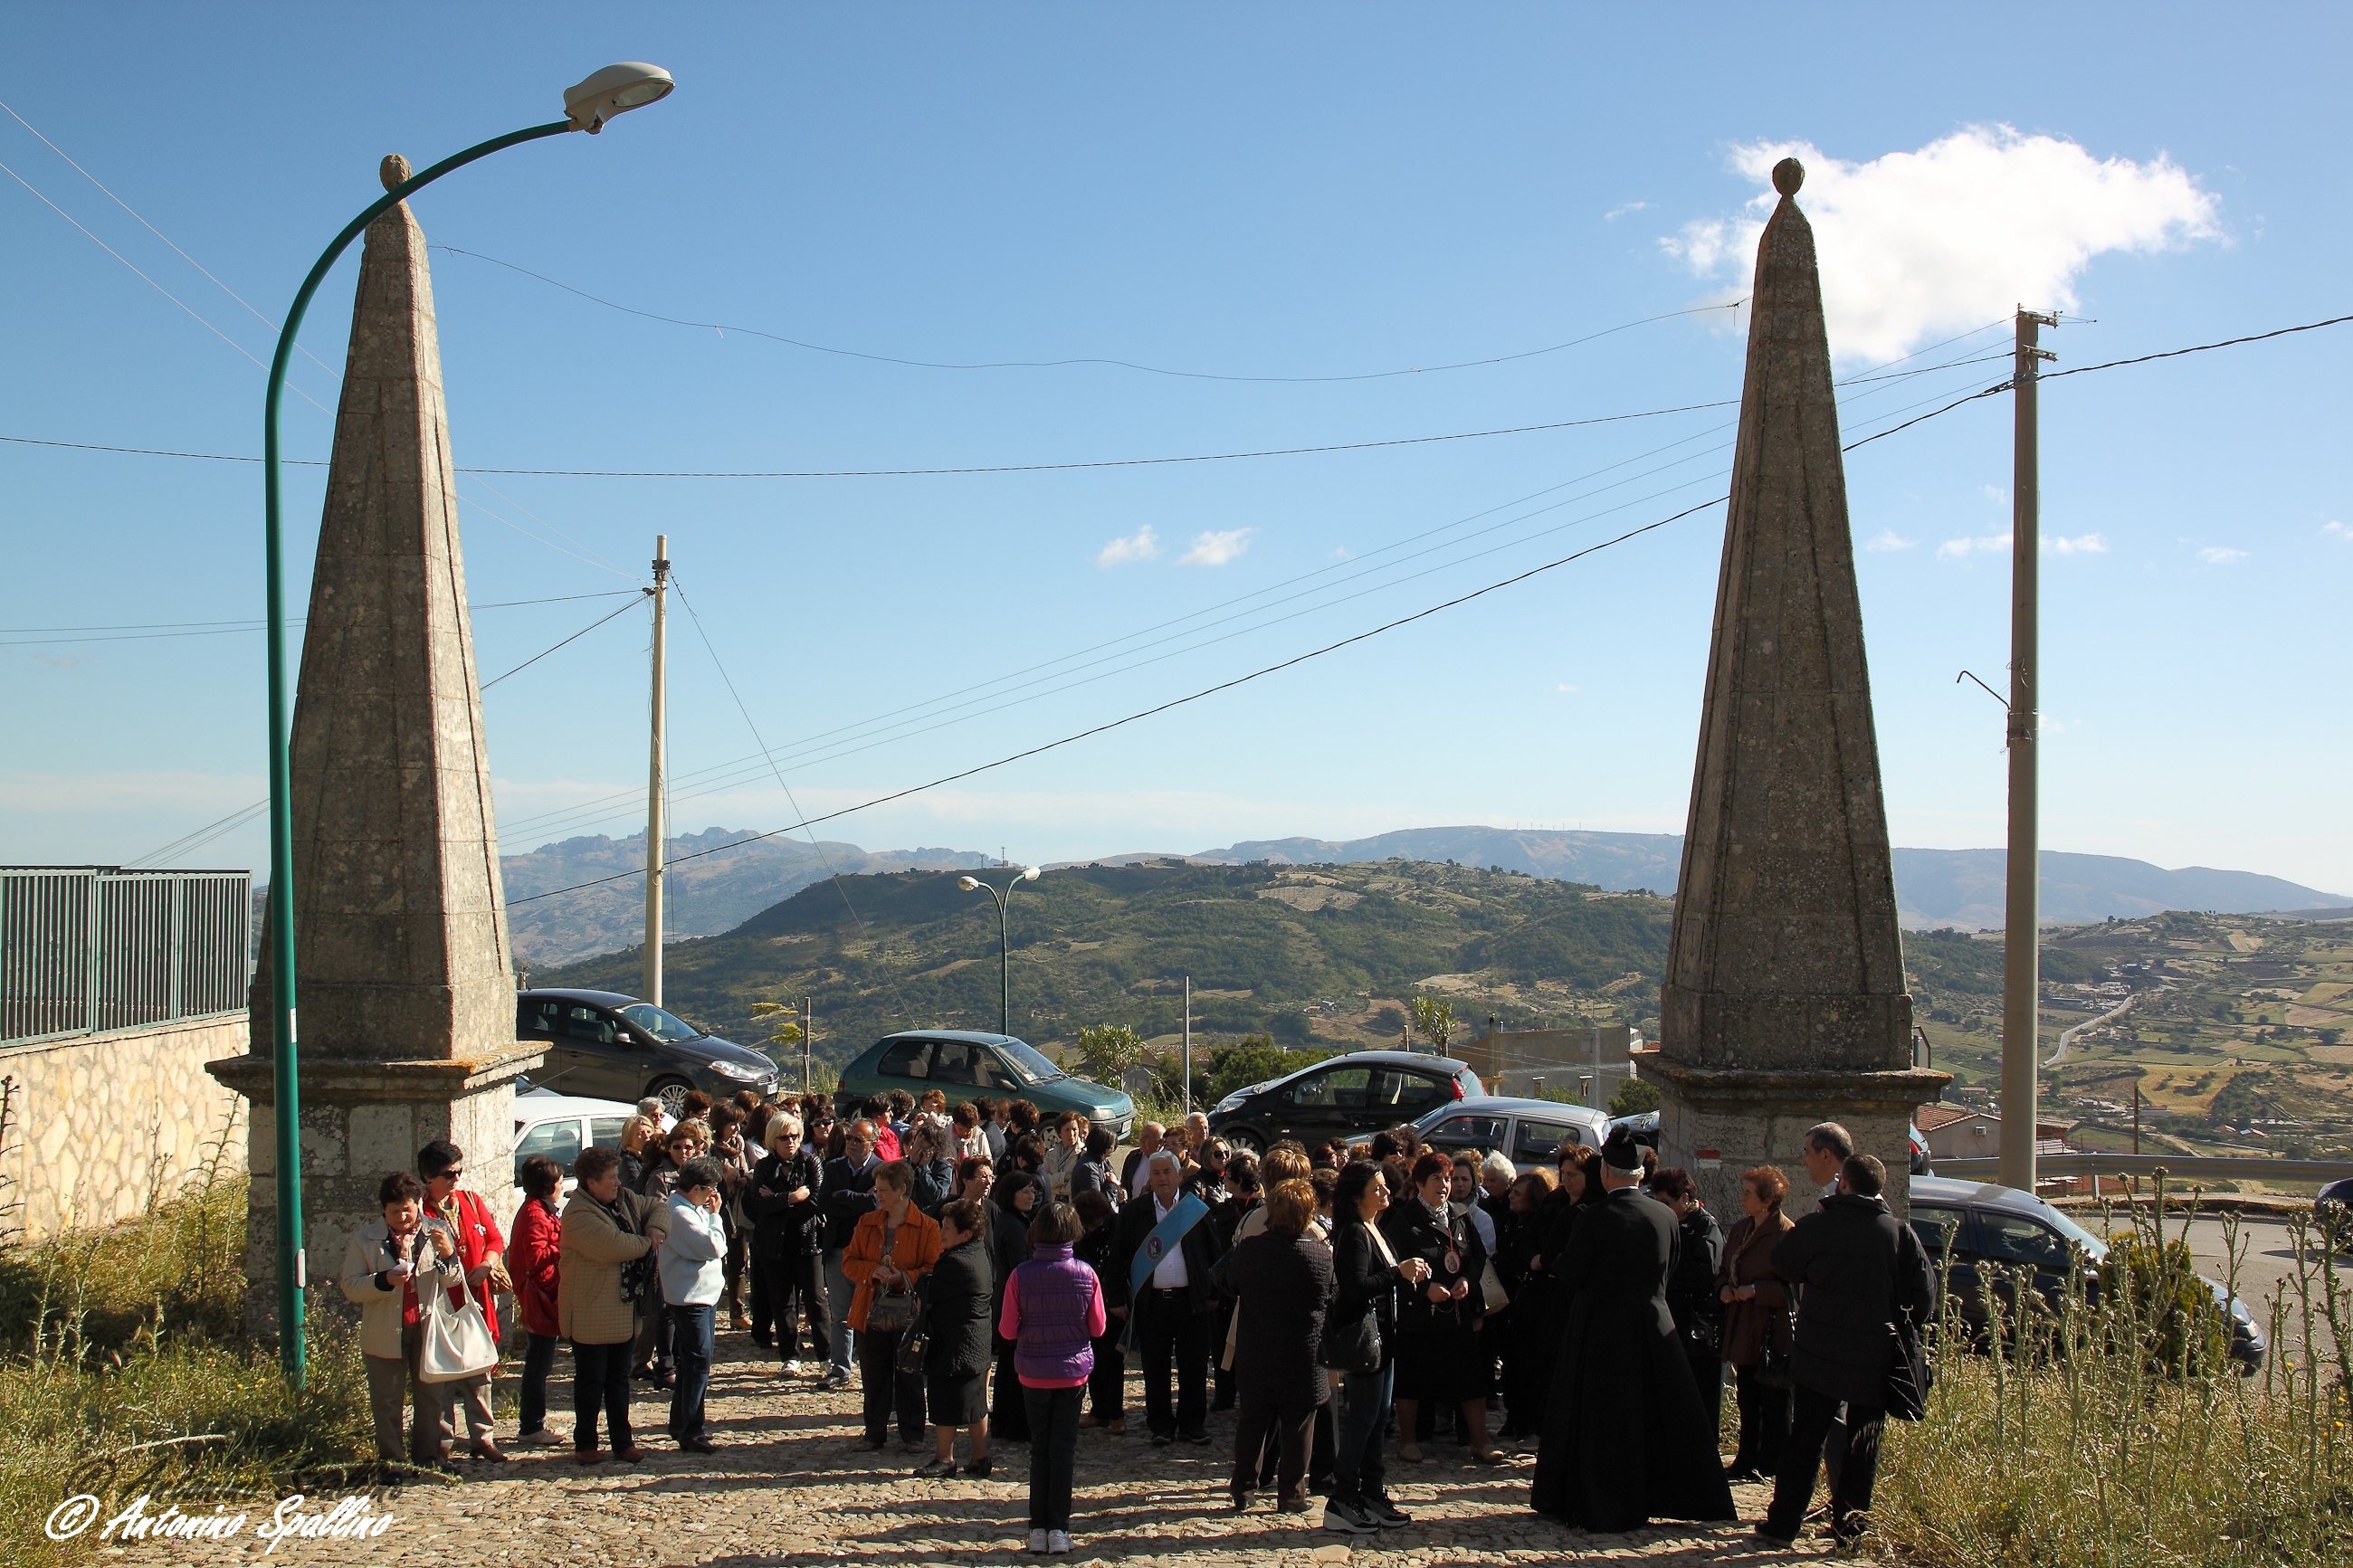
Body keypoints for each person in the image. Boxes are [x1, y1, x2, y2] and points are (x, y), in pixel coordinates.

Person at [1528, 1129, 1736, 1531]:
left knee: (1602, 1419)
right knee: (1658, 1413)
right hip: (1655, 1325)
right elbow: (1671, 1267)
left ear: (1605, 1172)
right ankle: (1664, 1494)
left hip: (1600, 1328)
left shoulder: (1594, 1218)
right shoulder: (1666, 1215)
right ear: (1640, 1174)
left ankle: (1600, 1500)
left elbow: (1569, 1272)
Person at [1757, 1154, 1935, 1548]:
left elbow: (1783, 1263)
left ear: (1845, 1183)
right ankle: (1850, 1530)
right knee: (1864, 1445)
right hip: (1876, 1357)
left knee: (1805, 1440)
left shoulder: (1818, 1225)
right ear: (1879, 1190)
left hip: (1818, 1353)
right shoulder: (1899, 1233)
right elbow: (1924, 1299)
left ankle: (1784, 1524)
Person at [1322, 1160, 1428, 1534]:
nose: (1386, 1193)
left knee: (1379, 1419)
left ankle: (1371, 1492)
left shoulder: (1373, 1227)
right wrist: (1398, 1273)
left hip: (1385, 1338)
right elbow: (1356, 1288)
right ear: (1356, 1198)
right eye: (1377, 1189)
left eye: (1385, 1186)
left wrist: (1404, 1273)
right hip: (1366, 1341)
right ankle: (1342, 1498)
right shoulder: (1353, 1232)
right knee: (1364, 1420)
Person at [340, 1171, 469, 1475]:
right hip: (385, 1330)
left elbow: (454, 1280)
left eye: (407, 1209)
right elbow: (350, 1286)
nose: (402, 1216)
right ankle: (392, 1463)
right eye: (395, 1211)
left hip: (426, 1327)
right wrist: (383, 1280)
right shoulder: (366, 1239)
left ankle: (429, 1459)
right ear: (384, 1211)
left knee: (431, 1398)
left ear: (419, 1206)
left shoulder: (437, 1230)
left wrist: (447, 1253)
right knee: (387, 1401)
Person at [1380, 1150, 1500, 1464]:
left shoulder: (1462, 1216)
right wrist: (1422, 1290)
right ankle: (1408, 1442)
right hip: (1418, 1319)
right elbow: (1390, 1268)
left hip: (1457, 1315)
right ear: (1419, 1184)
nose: (1444, 1185)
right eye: (1437, 1179)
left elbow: (1477, 1256)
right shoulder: (1404, 1220)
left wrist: (1467, 1281)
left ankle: (1479, 1441)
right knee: (1412, 1383)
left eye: (1447, 1179)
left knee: (1470, 1381)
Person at [1221, 1178, 1333, 1514]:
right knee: (1298, 1428)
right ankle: (1292, 1495)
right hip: (1302, 1355)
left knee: (1252, 1422)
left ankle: (1243, 1490)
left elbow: (1231, 1284)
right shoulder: (1320, 1257)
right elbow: (1333, 1297)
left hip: (1258, 1350)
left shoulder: (1251, 1250)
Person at [1003, 1201, 1106, 1556]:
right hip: (1073, 1373)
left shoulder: (1020, 1275)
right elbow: (1099, 1326)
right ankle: (1059, 1528)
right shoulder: (1086, 1273)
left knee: (1040, 1449)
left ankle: (1037, 1528)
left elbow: (1006, 1329)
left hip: (1033, 1371)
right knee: (1063, 1450)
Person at [1114, 1149, 1225, 1446]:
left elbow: (1215, 1256)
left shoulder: (1196, 1211)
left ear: (1179, 1175)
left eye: (1167, 1172)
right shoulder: (1134, 1213)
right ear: (1149, 1178)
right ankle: (1160, 1425)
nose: (1162, 1178)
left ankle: (1192, 1425)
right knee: (1155, 1366)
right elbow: (1117, 1259)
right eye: (1156, 1173)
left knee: (1194, 1365)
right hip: (1153, 1303)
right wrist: (1116, 1299)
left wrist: (1213, 1294)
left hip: (1191, 1302)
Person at [558, 1146, 655, 1466]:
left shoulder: (623, 1201)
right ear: (591, 1183)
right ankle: (585, 1442)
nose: (618, 1183)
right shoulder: (578, 1215)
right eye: (611, 1178)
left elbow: (655, 1206)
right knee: (590, 1381)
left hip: (623, 1312)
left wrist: (655, 1228)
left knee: (618, 1381)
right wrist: (648, 1243)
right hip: (590, 1313)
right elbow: (614, 1247)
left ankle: (622, 1442)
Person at [414, 1139, 504, 1461]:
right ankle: (443, 1440)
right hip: (440, 1300)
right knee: (443, 1371)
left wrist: (486, 1264)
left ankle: (483, 1437)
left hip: (474, 1298)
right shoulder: (420, 1212)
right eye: (448, 1174)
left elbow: (494, 1239)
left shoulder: (470, 1201)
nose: (455, 1179)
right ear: (428, 1176)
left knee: (479, 1370)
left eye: (459, 1172)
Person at [844, 1159, 941, 1449]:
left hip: (908, 1313)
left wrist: (904, 1277)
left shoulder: (926, 1226)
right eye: (877, 1189)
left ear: (901, 1190)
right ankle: (874, 1432)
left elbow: (933, 1268)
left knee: (909, 1374)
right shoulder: (867, 1222)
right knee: (874, 1376)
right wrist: (872, 1271)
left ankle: (913, 1435)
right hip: (870, 1309)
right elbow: (849, 1261)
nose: (878, 1195)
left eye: (883, 1190)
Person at [1717, 1164, 1796, 1483]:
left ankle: (1772, 1463)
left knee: (1775, 1401)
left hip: (1770, 1330)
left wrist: (1756, 1291)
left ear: (1767, 1201)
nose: (1742, 1198)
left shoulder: (1786, 1235)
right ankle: (1746, 1456)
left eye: (1749, 1194)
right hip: (1743, 1325)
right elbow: (1725, 1266)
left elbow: (1792, 1288)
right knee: (1747, 1395)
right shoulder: (1741, 1228)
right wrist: (1723, 1287)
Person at [647, 1155, 727, 1451]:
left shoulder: (691, 1208)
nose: (713, 1198)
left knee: (692, 1362)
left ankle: (679, 1422)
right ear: (696, 1189)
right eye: (711, 1191)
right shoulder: (679, 1213)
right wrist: (716, 1217)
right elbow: (714, 1246)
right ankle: (692, 1430)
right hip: (690, 1298)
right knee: (697, 1364)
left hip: (702, 1296)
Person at [746, 1114, 829, 1376]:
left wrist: (777, 1203)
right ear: (773, 1140)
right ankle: (790, 1355)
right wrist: (792, 1197)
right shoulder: (763, 1167)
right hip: (774, 1245)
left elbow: (815, 1203)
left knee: (815, 1300)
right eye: (784, 1137)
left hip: (807, 1241)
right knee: (782, 1301)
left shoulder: (811, 1162)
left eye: (794, 1136)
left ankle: (826, 1354)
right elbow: (757, 1206)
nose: (790, 1141)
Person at [917, 1197, 994, 1478]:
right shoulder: (977, 1253)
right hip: (975, 1342)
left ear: (965, 1234)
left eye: (946, 1228)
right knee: (974, 1403)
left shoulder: (955, 1262)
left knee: (943, 1400)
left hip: (953, 1343)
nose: (941, 1232)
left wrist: (921, 1282)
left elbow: (929, 1295)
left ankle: (944, 1457)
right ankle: (979, 1457)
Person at [1651, 1167, 1727, 1435]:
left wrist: (1667, 1271)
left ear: (1685, 1199)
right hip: (1673, 1318)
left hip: (1697, 1323)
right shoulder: (1669, 1223)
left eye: (1666, 1203)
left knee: (1700, 1388)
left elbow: (1706, 1269)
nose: (1661, 1209)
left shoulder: (1704, 1226)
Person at [507, 1155, 568, 1449]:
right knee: (538, 1365)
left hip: (544, 1294)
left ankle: (533, 1423)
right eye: (558, 1182)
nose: (561, 1186)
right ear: (548, 1186)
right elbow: (535, 1258)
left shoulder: (539, 1210)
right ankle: (531, 1425)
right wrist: (564, 1244)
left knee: (539, 1362)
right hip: (540, 1297)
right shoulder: (535, 1214)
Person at [818, 1119, 883, 1390]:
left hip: (870, 1253)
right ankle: (840, 1368)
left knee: (871, 1313)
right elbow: (824, 1204)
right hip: (838, 1250)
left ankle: (873, 1368)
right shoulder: (833, 1167)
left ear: (872, 1143)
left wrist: (842, 1196)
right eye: (850, 1138)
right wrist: (858, 1200)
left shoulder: (882, 1170)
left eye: (859, 1140)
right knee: (841, 1314)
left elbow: (877, 1207)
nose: (853, 1144)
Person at [1492, 1169, 1554, 1446]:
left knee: (1529, 1363)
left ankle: (1529, 1422)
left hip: (1530, 1301)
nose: (1512, 1197)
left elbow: (1525, 1259)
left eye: (1518, 1193)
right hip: (1508, 1301)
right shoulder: (1510, 1221)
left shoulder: (1537, 1226)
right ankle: (1514, 1417)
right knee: (1511, 1362)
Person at [990, 1170, 1042, 1442]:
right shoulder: (1012, 1225)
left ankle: (1003, 1422)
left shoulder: (1015, 1221)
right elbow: (1021, 1269)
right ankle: (1013, 1424)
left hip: (1007, 1298)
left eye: (1032, 1190)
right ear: (1011, 1195)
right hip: (1014, 1302)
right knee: (1012, 1367)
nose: (1031, 1195)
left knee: (1009, 1366)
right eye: (1025, 1191)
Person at [1072, 1188, 1129, 1433]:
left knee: (1112, 1359)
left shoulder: (1117, 1228)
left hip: (1112, 1300)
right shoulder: (1081, 1234)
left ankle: (1116, 1414)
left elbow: (1120, 1265)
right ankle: (1099, 1410)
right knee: (1092, 1357)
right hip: (1088, 1300)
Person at [709, 1104, 757, 1332]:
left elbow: (746, 1170)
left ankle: (737, 1312)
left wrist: (743, 1178)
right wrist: (723, 1177)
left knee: (739, 1261)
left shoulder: (739, 1145)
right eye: (732, 1124)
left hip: (738, 1209)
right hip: (719, 1208)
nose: (737, 1128)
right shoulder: (712, 1149)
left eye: (738, 1123)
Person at [1448, 1153, 1498, 1253]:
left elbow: (1487, 1252)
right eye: (1455, 1179)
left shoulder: (1482, 1219)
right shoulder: (1436, 1212)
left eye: (1465, 1179)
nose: (1460, 1184)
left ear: (1473, 1183)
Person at [1042, 1111, 1086, 1202]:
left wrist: (1055, 1184)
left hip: (1073, 1205)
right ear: (1060, 1133)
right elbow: (1045, 1181)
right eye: (1067, 1130)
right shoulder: (1051, 1153)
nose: (1071, 1134)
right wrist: (1065, 1177)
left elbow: (1078, 1183)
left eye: (1074, 1129)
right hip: (1052, 1203)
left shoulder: (1083, 1154)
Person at [1072, 1126, 1120, 1207]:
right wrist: (1112, 1184)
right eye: (1110, 1149)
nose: (1110, 1152)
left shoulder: (1103, 1161)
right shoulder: (1087, 1170)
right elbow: (1097, 1205)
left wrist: (1120, 1191)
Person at [1121, 1122, 1164, 1198]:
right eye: (1141, 1136)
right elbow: (1124, 1183)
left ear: (1160, 1142)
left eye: (1147, 1137)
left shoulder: (1167, 1162)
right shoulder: (1133, 1156)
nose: (1141, 1140)